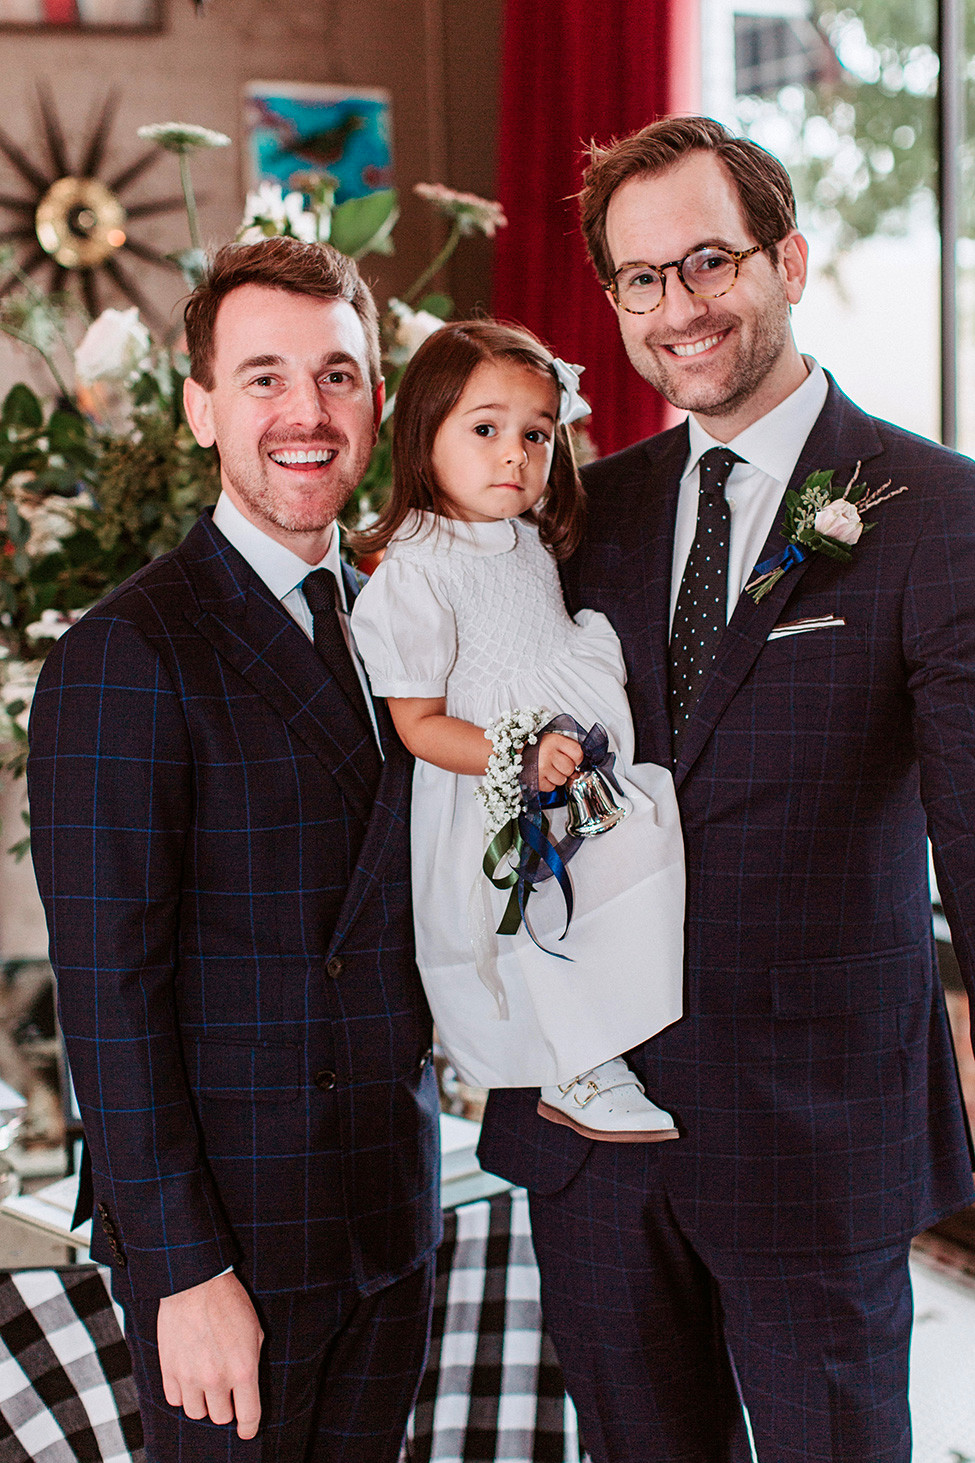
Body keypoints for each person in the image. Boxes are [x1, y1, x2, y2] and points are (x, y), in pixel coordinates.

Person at [477, 115, 975, 1463]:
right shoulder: (581, 517)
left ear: (786, 261)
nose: (678, 307)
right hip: (593, 1134)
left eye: (708, 261)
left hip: (816, 1138)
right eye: (641, 278)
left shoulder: (936, 512)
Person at [27, 235, 441, 1463]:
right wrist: (182, 1265)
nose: (306, 412)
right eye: (264, 377)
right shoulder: (126, 651)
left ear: (375, 400)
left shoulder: (403, 621)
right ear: (202, 407)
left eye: (336, 375)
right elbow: (107, 993)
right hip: (231, 1251)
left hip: (389, 1221)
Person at [349, 320, 685, 1141]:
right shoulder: (417, 572)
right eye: (485, 429)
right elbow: (419, 725)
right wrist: (517, 756)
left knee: (628, 867)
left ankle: (607, 1037)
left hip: (571, 762)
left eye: (535, 434)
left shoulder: (528, 537)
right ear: (423, 437)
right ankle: (573, 1063)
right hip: (494, 791)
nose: (515, 455)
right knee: (536, 920)